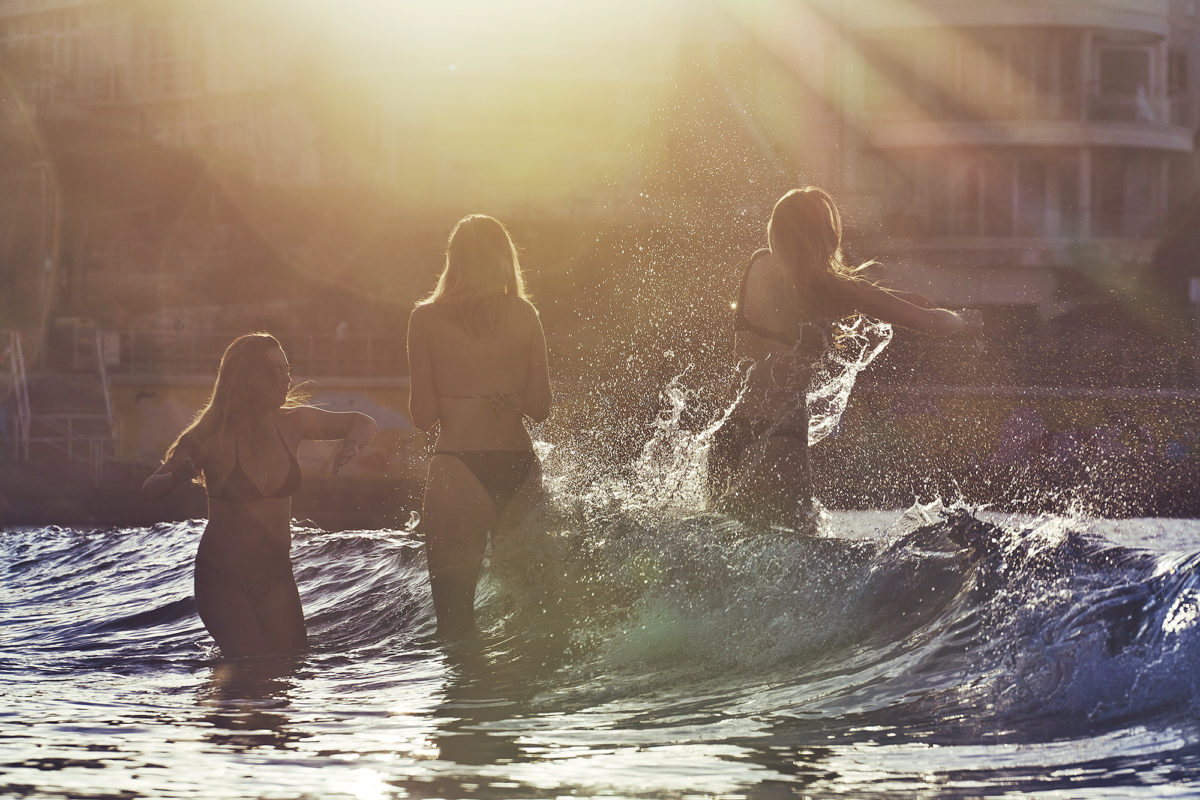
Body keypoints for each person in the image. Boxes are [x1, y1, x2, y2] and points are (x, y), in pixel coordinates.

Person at [708, 186, 980, 529]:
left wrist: (904, 299)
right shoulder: (829, 289)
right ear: (824, 236)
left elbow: (865, 296)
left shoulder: (759, 265)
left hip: (728, 433)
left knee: (719, 536)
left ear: (776, 231)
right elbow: (930, 323)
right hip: (779, 436)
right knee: (798, 546)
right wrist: (963, 320)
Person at [142, 332, 378, 659]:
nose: (286, 379)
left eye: (287, 369)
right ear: (248, 377)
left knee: (289, 672)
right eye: (275, 371)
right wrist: (180, 471)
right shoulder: (209, 434)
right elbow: (150, 489)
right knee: (250, 672)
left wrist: (352, 444)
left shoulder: (293, 422)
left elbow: (362, 422)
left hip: (277, 577)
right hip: (223, 580)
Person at [407, 214, 552, 638]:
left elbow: (422, 415)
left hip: (459, 469)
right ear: (505, 259)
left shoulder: (425, 320)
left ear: (453, 260)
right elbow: (541, 408)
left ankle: (469, 701)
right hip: (520, 466)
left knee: (456, 627)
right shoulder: (526, 314)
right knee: (527, 620)